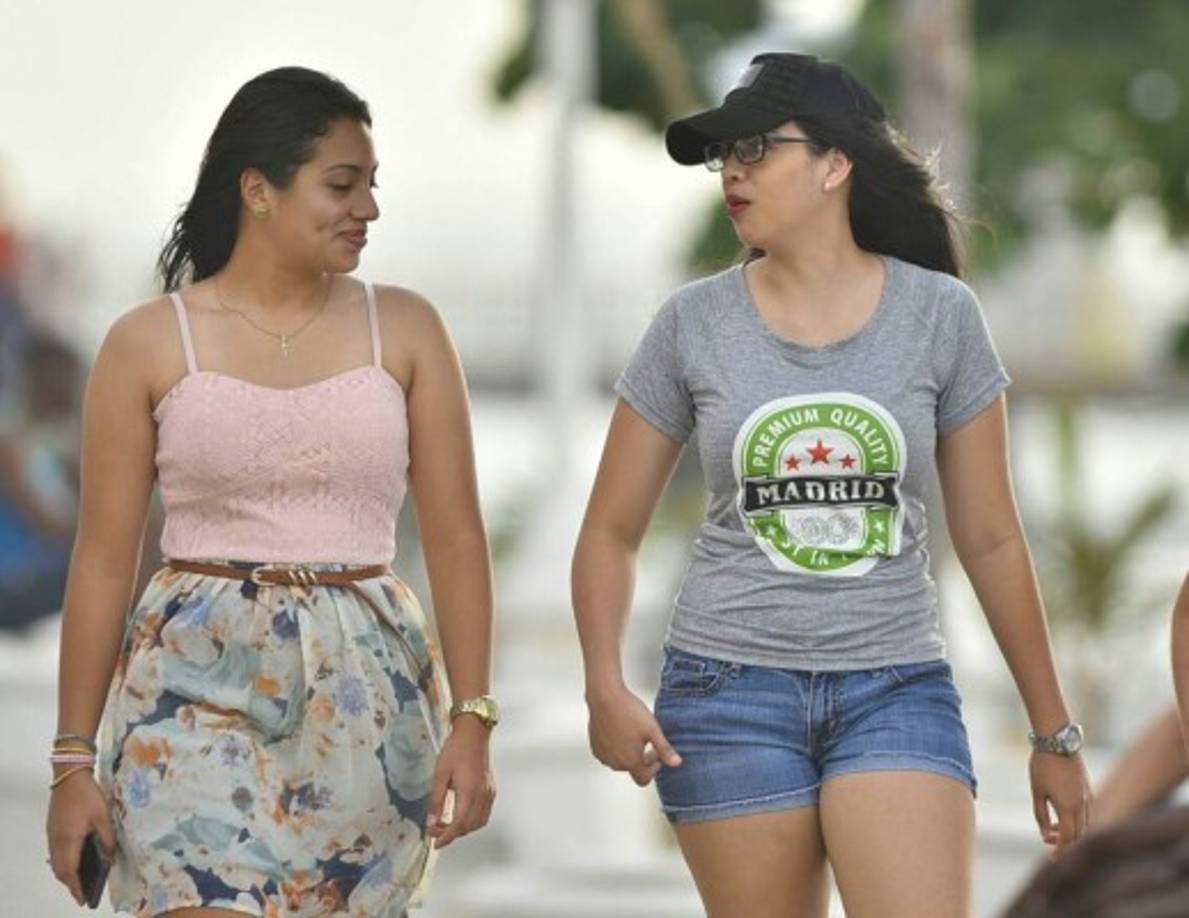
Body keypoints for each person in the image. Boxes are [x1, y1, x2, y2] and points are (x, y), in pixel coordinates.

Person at [572, 53, 1091, 918]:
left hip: (895, 686)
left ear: (835, 163)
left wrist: (1053, 733)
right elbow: (609, 532)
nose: (731, 170)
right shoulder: (690, 323)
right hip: (724, 692)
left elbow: (992, 537)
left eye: (755, 147)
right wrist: (603, 686)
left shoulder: (940, 316)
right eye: (721, 155)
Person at [44, 67, 497, 916]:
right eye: (341, 184)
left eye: (371, 185)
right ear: (258, 190)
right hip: (188, 687)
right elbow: (104, 558)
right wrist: (73, 762)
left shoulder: (405, 328)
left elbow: (458, 539)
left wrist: (473, 718)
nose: (367, 208)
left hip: (367, 693)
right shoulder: (146, 342)